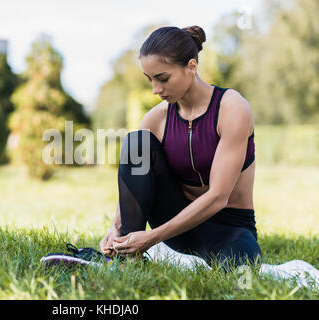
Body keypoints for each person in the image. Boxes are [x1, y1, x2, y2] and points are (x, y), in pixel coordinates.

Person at [99, 25, 262, 270]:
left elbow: (218, 196)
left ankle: (150, 248)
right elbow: (134, 179)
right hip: (173, 223)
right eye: (150, 79)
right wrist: (117, 227)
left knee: (241, 269)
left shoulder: (232, 108)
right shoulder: (156, 119)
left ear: (191, 67)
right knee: (137, 142)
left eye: (163, 78)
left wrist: (152, 237)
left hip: (228, 228)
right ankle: (126, 257)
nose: (155, 89)